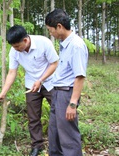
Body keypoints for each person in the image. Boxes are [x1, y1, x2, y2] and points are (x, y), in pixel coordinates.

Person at [0, 25, 59, 156]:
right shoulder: (14, 52)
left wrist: (40, 80)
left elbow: (54, 63)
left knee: (58, 114)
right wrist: (3, 93)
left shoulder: (43, 42)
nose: (16, 49)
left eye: (18, 46)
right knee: (33, 117)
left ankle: (58, 144)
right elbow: (12, 72)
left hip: (51, 82)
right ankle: (36, 146)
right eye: (13, 47)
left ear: (25, 40)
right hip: (31, 85)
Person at [45, 9, 88, 156]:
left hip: (67, 95)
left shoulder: (76, 45)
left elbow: (80, 76)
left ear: (59, 26)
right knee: (55, 134)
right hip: (57, 92)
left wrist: (72, 104)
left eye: (50, 30)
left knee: (68, 137)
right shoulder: (65, 44)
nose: (50, 33)